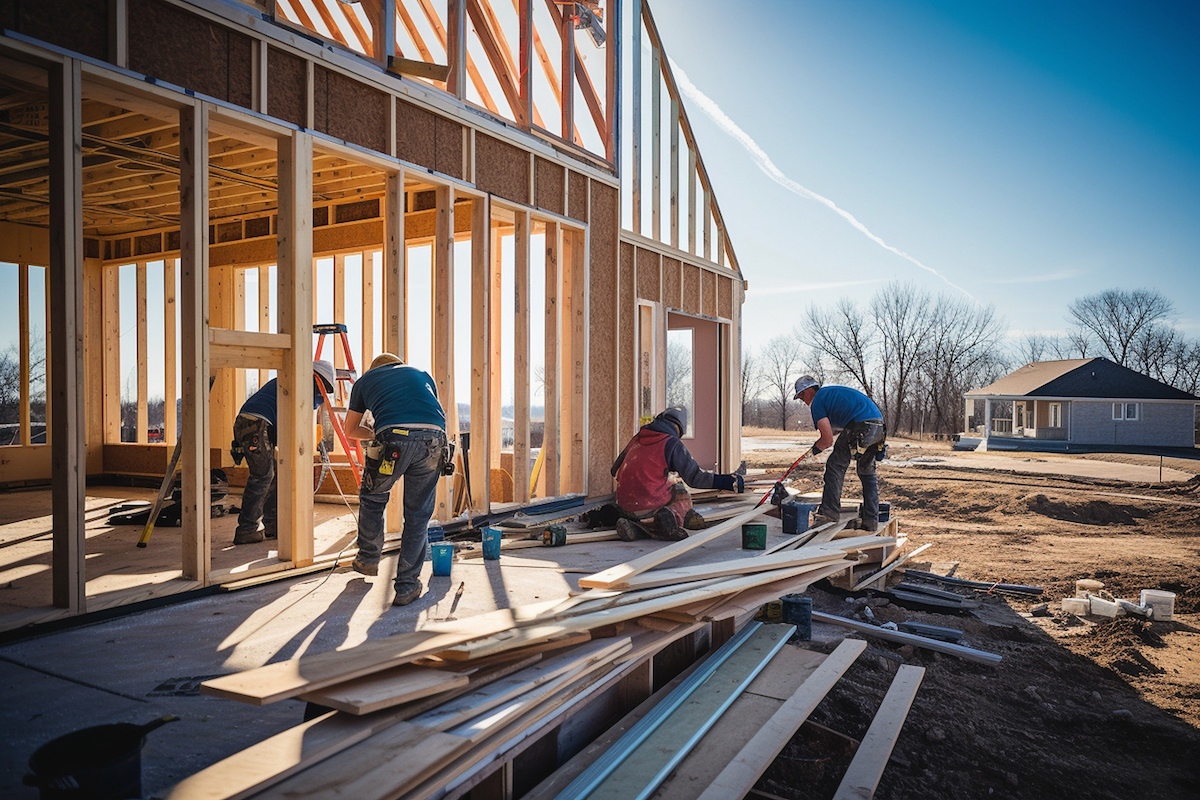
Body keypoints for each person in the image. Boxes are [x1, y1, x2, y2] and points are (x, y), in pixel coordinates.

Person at [342, 353, 447, 606]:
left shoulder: (366, 380)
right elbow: (430, 415)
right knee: (419, 514)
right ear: (397, 365)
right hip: (434, 442)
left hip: (393, 440)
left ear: (375, 369)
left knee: (373, 497)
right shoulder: (422, 375)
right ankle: (407, 586)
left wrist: (375, 433)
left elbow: (350, 430)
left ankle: (368, 558)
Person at [231, 360, 336, 545]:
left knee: (273, 475)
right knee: (263, 476)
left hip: (253, 423)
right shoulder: (301, 384)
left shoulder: (291, 382)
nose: (321, 397)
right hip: (257, 423)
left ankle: (273, 524)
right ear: (317, 380)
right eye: (322, 391)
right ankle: (247, 529)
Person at [609, 406, 744, 541]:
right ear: (678, 427)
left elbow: (614, 470)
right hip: (647, 506)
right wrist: (728, 482)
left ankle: (632, 524)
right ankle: (672, 518)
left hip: (624, 504)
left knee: (662, 484)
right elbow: (695, 478)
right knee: (678, 488)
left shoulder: (637, 438)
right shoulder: (671, 443)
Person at [793, 375, 887, 532]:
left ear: (810, 390)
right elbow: (834, 431)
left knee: (835, 465)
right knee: (867, 472)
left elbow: (827, 440)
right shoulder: (830, 396)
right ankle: (871, 520)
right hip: (877, 426)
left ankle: (829, 514)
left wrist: (813, 451)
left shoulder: (818, 401)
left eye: (802, 394)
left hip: (860, 425)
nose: (802, 399)